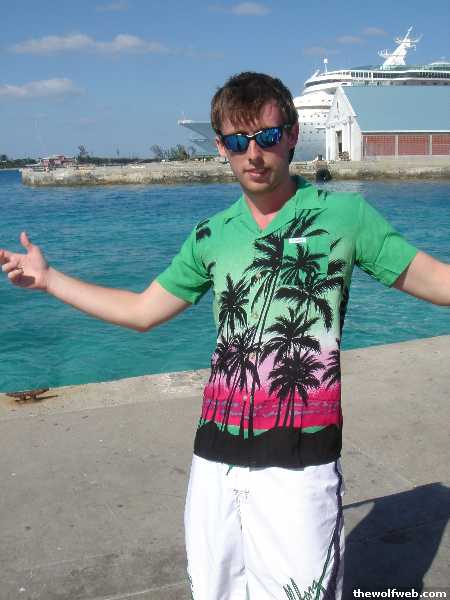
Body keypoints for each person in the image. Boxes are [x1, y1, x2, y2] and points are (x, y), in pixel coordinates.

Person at [1, 72, 449, 600]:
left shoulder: (345, 216)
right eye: (238, 142)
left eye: (266, 136)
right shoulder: (210, 234)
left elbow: (436, 282)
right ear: (221, 147)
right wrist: (50, 280)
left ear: (291, 134)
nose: (253, 154)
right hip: (215, 455)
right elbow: (142, 311)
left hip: (301, 458)